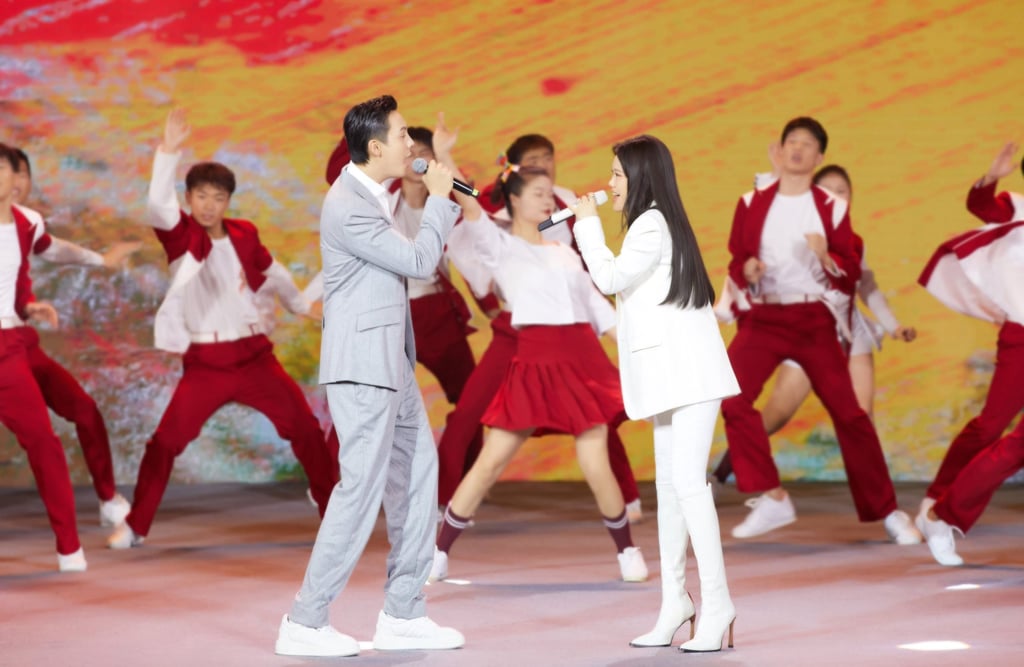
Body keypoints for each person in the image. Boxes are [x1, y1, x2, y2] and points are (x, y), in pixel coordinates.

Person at [276, 95, 464, 658]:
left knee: (416, 477)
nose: (413, 144)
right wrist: (440, 202)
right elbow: (416, 262)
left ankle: (404, 611)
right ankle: (305, 620)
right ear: (376, 146)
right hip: (362, 367)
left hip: (389, 363)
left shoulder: (370, 194)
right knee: (359, 489)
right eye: (404, 135)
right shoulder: (349, 203)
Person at [107, 108, 335, 549]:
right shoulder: (180, 237)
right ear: (189, 198)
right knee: (164, 443)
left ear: (228, 201)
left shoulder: (244, 234)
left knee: (306, 429)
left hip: (254, 357)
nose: (210, 205)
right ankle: (136, 525)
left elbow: (275, 273)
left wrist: (300, 306)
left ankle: (334, 514)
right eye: (202, 196)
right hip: (207, 364)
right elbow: (157, 206)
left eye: (219, 197)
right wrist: (168, 152)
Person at [433, 135, 648, 584]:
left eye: (549, 194)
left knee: (595, 461)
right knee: (491, 460)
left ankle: (627, 550)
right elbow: (469, 201)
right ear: (512, 201)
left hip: (580, 361)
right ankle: (438, 552)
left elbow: (599, 311)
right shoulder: (499, 245)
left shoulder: (566, 252)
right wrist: (446, 156)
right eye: (537, 194)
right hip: (532, 362)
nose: (548, 200)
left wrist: (640, 348)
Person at [571, 135, 739, 652]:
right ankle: (675, 603)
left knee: (688, 486)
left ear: (641, 177)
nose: (610, 184)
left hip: (689, 378)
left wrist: (584, 226)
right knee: (669, 488)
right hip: (673, 377)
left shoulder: (651, 223)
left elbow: (608, 274)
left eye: (618, 174)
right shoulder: (659, 223)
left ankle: (718, 605)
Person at [721, 117, 920, 544]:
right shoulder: (752, 201)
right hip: (765, 319)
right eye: (791, 141)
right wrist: (749, 271)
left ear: (819, 157)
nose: (797, 149)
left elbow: (850, 274)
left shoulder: (831, 207)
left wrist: (826, 255)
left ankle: (888, 511)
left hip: (814, 322)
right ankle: (772, 496)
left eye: (807, 144)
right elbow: (737, 258)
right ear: (781, 149)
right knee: (731, 395)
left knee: (850, 414)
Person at [10, 148, 139, 526]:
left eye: (22, 175)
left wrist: (101, 259)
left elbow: (53, 248)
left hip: (19, 343)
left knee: (83, 409)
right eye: (7, 173)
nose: (15, 183)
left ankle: (107, 498)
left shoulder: (26, 224)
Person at [915, 142, 1024, 565]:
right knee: (994, 429)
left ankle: (943, 513)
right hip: (1021, 336)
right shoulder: (1015, 208)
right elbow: (981, 203)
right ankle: (939, 505)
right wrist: (990, 176)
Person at [0, 142, 85, 571]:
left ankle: (69, 546)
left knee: (44, 442)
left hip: (7, 347)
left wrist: (29, 308)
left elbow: (14, 291)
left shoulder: (27, 223)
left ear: (14, 178)